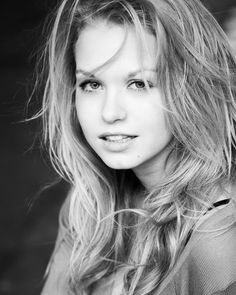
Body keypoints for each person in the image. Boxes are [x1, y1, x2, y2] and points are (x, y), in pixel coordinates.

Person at [37, 0, 236, 294]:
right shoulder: (90, 204)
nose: (109, 112)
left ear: (192, 87)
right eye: (92, 84)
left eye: (139, 83)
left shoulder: (219, 243)